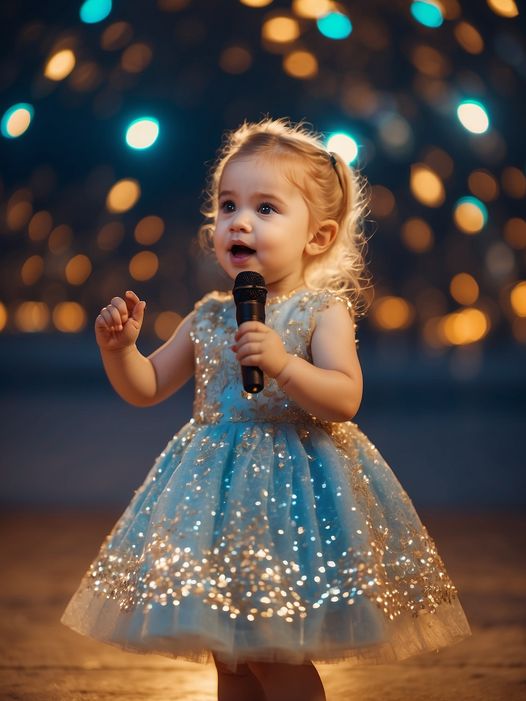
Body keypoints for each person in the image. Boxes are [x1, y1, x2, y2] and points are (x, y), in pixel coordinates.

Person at [61, 117, 472, 701]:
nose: (240, 221)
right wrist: (120, 350)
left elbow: (345, 398)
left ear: (319, 236)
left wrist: (284, 364)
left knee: (271, 652)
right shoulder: (207, 314)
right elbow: (147, 386)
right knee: (230, 660)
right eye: (228, 205)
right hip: (214, 506)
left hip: (294, 501)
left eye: (266, 208)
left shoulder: (320, 311)